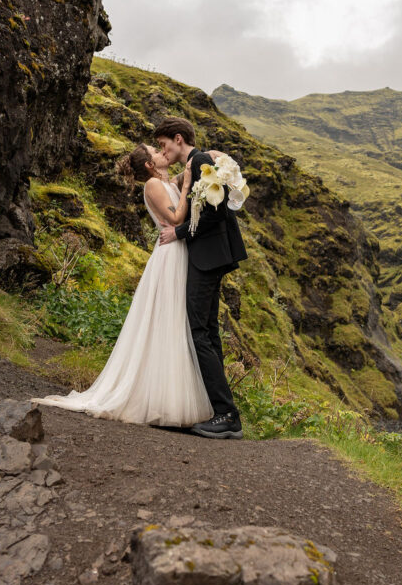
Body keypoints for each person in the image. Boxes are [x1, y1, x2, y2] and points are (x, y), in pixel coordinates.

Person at [33, 143, 214, 426]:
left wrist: (206, 162)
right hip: (169, 255)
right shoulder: (153, 185)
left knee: (177, 320)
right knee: (167, 319)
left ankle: (169, 393)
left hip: (179, 252)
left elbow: (186, 174)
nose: (161, 152)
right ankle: (160, 399)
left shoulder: (165, 180)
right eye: (156, 151)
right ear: (149, 165)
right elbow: (177, 217)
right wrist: (188, 182)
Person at [155, 116, 248, 440]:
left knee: (199, 332)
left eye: (164, 145)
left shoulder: (201, 160)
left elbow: (215, 212)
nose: (162, 151)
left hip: (208, 256)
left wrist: (178, 233)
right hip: (211, 255)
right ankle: (220, 410)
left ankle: (226, 414)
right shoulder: (196, 162)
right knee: (208, 331)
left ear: (178, 139)